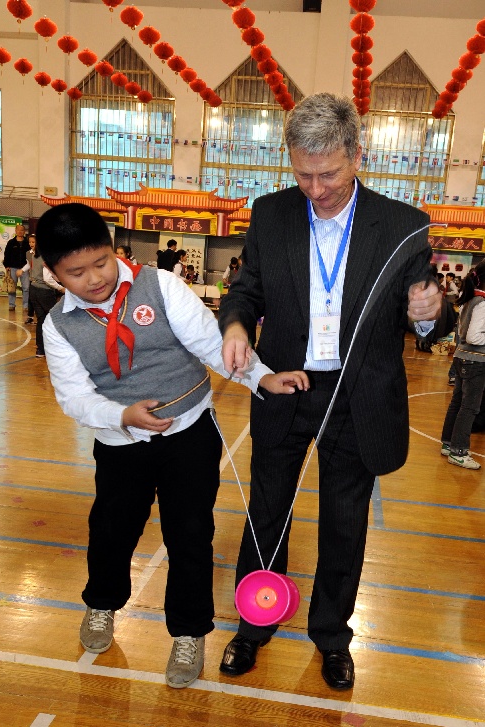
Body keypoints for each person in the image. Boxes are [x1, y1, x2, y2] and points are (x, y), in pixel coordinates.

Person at [217, 92, 441, 691]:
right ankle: (253, 623)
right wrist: (237, 325)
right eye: (302, 174)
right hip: (286, 386)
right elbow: (247, 291)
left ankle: (333, 636)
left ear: (357, 156)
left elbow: (424, 316)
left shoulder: (401, 225)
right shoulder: (271, 213)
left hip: (358, 394)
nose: (315, 189)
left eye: (329, 175)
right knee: (267, 511)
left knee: (345, 521)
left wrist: (426, 312)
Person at [35, 202, 307, 689]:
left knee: (190, 537)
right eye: (76, 272)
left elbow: (211, 346)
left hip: (190, 435)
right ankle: (101, 606)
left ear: (113, 249)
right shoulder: (58, 326)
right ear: (52, 273)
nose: (94, 278)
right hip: (120, 443)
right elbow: (74, 398)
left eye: (100, 262)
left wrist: (263, 379)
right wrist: (122, 415)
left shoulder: (159, 286)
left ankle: (188, 633)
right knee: (112, 534)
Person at [440, 261, 485, 470]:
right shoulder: (482, 302)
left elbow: (462, 333)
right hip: (475, 361)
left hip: (461, 358)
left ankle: (448, 444)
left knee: (457, 402)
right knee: (469, 407)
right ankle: (458, 451)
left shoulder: (470, 299)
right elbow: (474, 336)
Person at [28, 235, 64, 358]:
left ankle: (40, 350)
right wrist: (60, 288)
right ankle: (55, 349)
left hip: (33, 290)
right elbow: (47, 278)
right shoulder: (47, 257)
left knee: (41, 320)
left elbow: (47, 274)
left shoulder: (35, 255)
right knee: (54, 319)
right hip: (44, 292)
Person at [3, 223, 30, 312]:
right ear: (15, 231)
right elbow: (6, 255)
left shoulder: (27, 243)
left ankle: (25, 306)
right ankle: (11, 305)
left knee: (26, 288)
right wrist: (7, 266)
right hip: (13, 268)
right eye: (18, 230)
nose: (20, 232)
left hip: (24, 269)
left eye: (22, 230)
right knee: (12, 287)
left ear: (24, 231)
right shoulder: (11, 242)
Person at [25, 233, 37, 324]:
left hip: (41, 280)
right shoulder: (28, 254)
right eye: (30, 242)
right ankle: (30, 316)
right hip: (32, 279)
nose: (31, 244)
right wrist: (22, 270)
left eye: (33, 242)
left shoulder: (42, 253)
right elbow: (28, 265)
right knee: (31, 298)